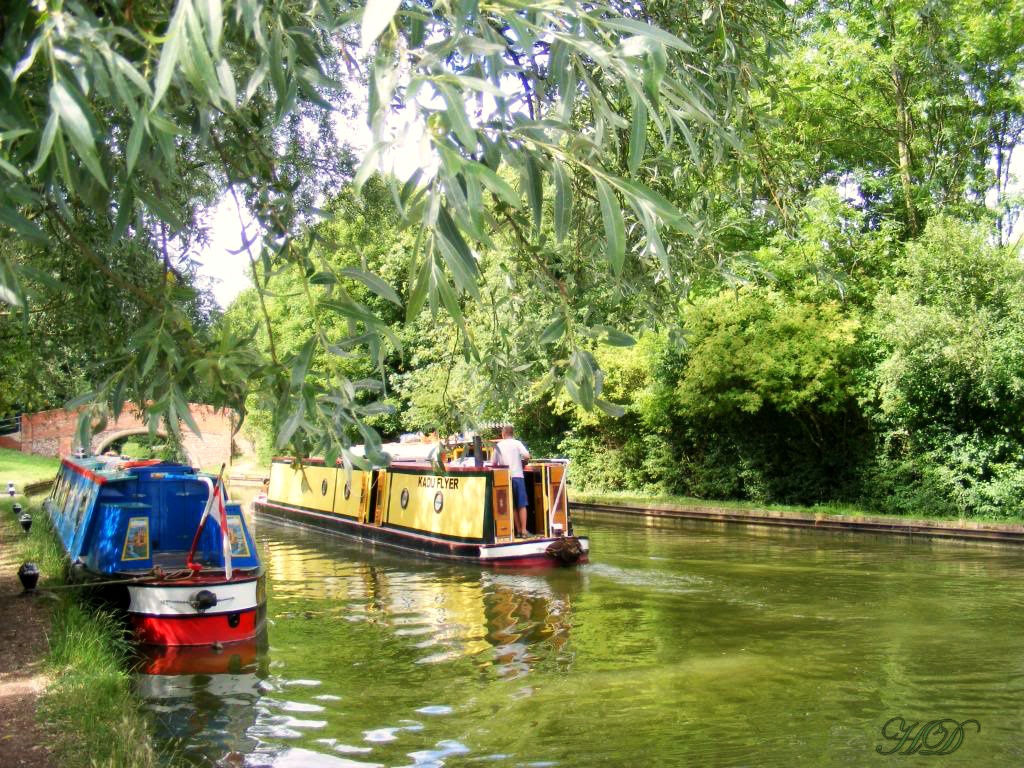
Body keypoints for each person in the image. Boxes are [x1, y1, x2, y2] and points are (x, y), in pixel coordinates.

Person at [494, 425, 531, 537]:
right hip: (518, 476)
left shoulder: (499, 445)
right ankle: (524, 530)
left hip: (505, 478)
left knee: (512, 505)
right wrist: (523, 461)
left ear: (503, 434)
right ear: (512, 433)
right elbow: (527, 456)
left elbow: (493, 462)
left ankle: (518, 530)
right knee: (522, 504)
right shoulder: (517, 443)